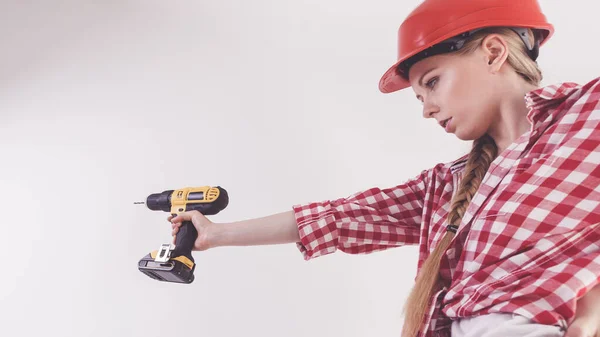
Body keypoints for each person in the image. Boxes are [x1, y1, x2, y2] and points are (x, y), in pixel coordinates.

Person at [168, 1, 600, 336]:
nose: (427, 110)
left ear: (492, 52)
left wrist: (592, 308)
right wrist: (215, 234)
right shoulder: (447, 185)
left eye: (432, 82)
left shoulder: (588, 113)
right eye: (417, 97)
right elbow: (341, 217)